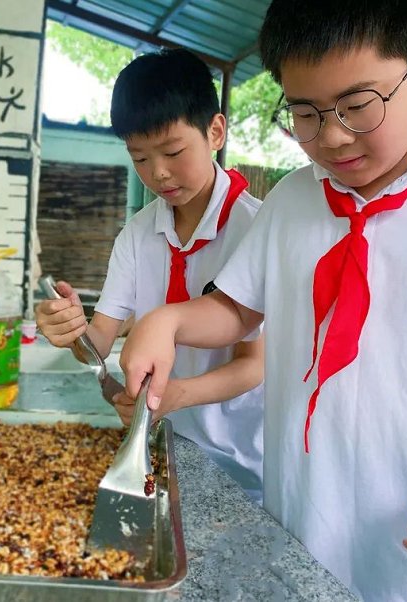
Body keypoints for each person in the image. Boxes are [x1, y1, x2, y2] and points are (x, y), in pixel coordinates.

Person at [118, 1, 407, 600]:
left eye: (357, 104)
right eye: (304, 112)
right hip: (302, 546)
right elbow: (238, 310)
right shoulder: (294, 200)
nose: (333, 136)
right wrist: (167, 321)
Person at [35, 48, 265, 500]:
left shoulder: (255, 230)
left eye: (173, 151)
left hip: (238, 457)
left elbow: (253, 366)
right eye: (139, 158)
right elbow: (99, 343)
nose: (158, 173)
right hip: (155, 444)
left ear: (215, 131)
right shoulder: (138, 236)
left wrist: (177, 395)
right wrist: (70, 331)